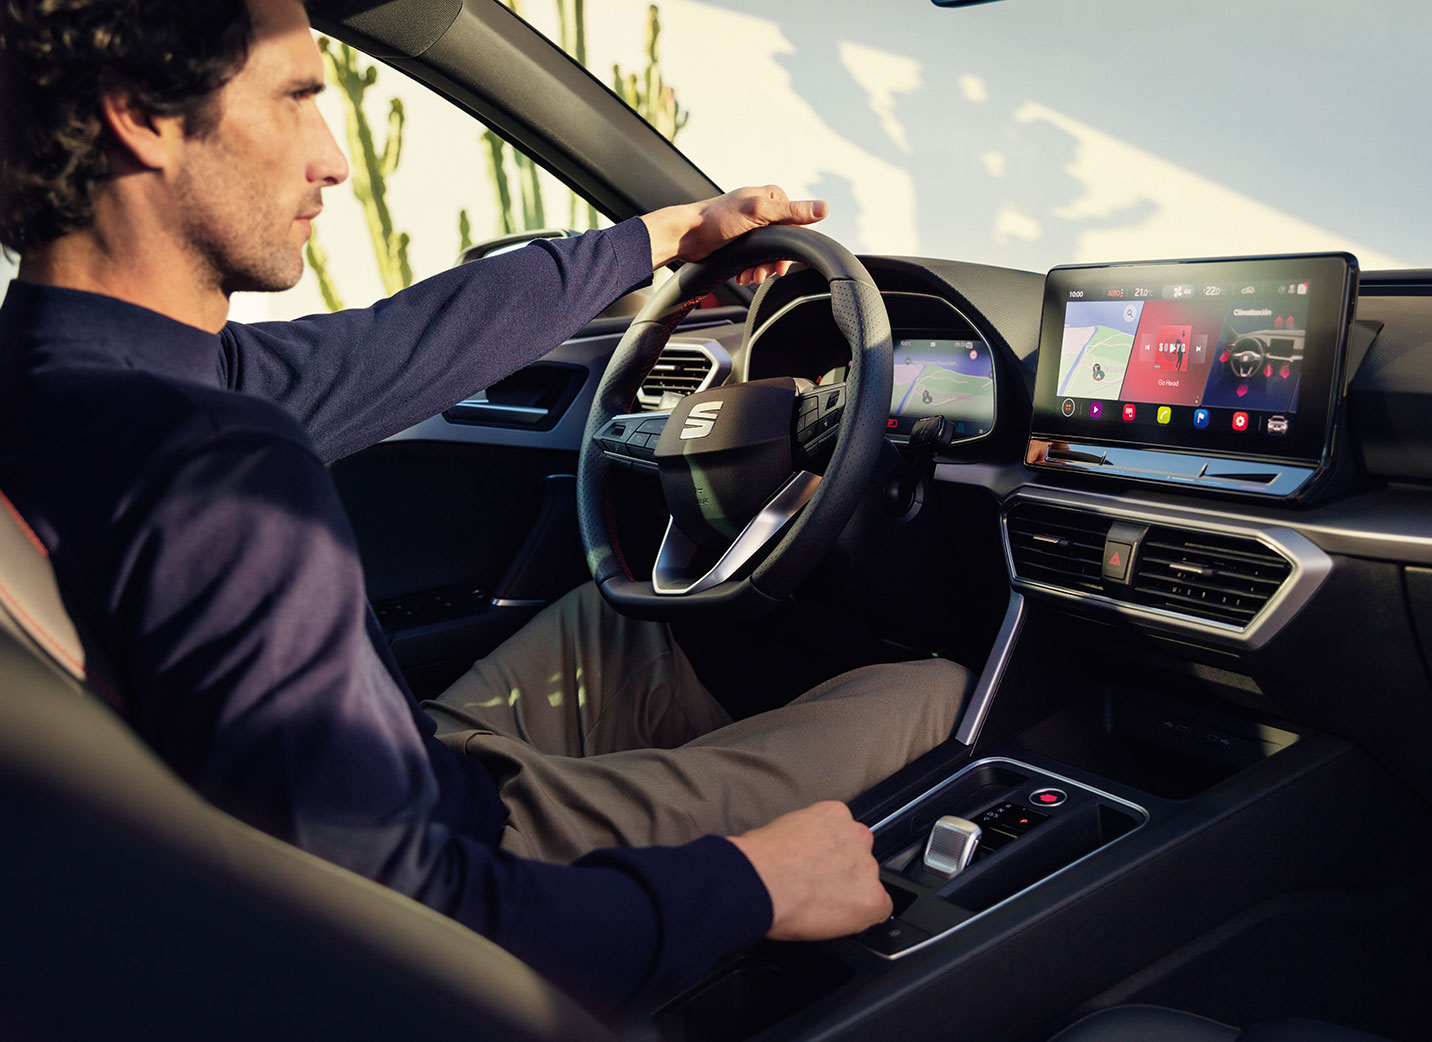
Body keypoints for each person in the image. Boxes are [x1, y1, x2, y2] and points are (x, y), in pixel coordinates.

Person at [0, 0, 969, 1012]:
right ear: (138, 117)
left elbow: (395, 345)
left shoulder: (67, 383)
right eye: (295, 100)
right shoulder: (215, 465)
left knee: (624, 613)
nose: (332, 158)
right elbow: (401, 937)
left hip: (392, 777)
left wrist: (661, 236)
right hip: (479, 862)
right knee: (936, 690)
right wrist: (753, 882)